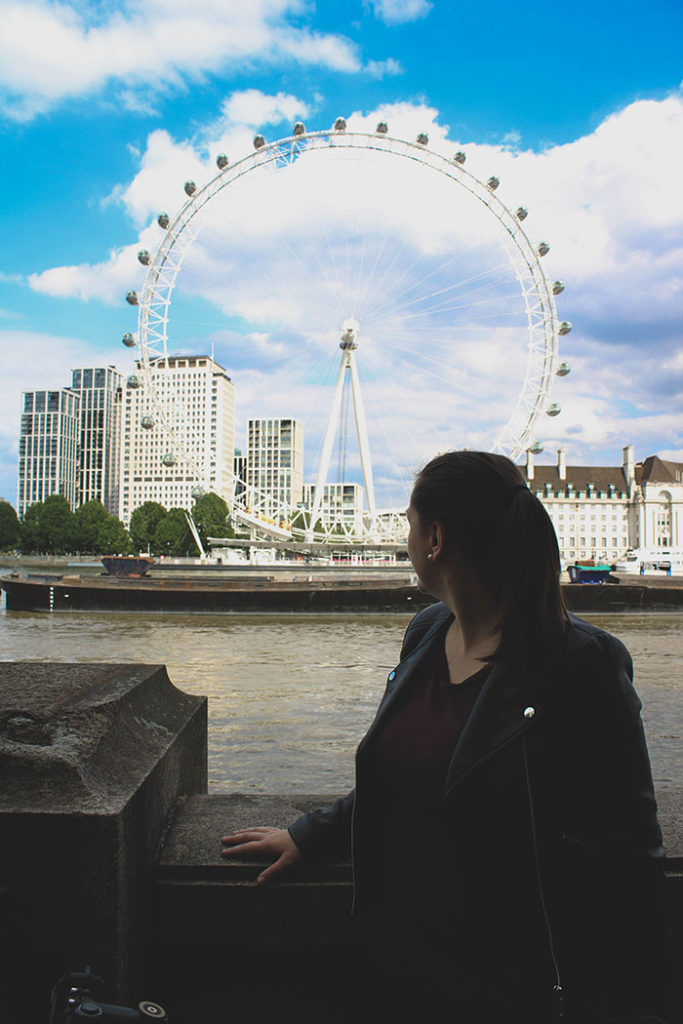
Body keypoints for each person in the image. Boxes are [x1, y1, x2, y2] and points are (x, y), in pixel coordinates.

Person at [221, 451, 668, 1023]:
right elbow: (409, 773)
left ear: (435, 538)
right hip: (396, 965)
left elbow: (630, 853)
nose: (404, 537)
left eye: (408, 523)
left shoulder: (583, 663)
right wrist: (311, 835)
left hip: (507, 987)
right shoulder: (428, 632)